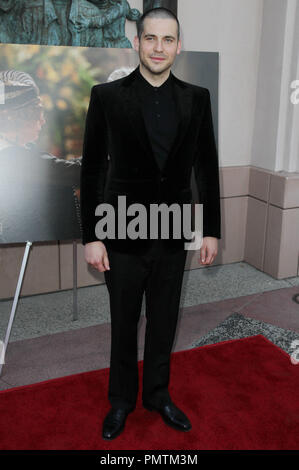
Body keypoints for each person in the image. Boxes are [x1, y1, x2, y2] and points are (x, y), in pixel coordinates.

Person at [80, 7, 221, 440]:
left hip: (174, 228)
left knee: (164, 319)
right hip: (121, 228)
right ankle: (121, 401)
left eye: (168, 40)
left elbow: (206, 168)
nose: (158, 47)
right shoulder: (106, 97)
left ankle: (157, 395)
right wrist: (92, 237)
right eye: (150, 38)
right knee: (124, 321)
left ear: (178, 46)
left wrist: (211, 229)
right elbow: (92, 171)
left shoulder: (197, 98)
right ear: (137, 42)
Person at [0, 69, 81, 244]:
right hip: (37, 256)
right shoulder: (12, 159)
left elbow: (64, 167)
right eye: (38, 114)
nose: (43, 121)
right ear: (18, 118)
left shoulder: (19, 151)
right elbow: (74, 173)